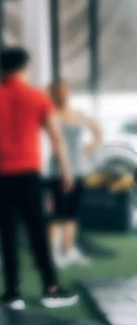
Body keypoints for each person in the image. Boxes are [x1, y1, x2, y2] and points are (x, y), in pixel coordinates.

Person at [0, 47, 78, 310]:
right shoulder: (38, 97)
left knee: (7, 234)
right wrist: (66, 171)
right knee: (38, 231)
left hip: (0, 176)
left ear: (0, 68)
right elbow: (56, 138)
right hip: (29, 176)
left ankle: (12, 294)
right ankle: (51, 288)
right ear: (25, 68)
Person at [47, 79, 102, 267]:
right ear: (54, 94)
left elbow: (98, 132)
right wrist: (65, 171)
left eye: (65, 91)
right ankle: (51, 254)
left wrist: (90, 147)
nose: (63, 95)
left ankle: (68, 250)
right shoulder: (52, 115)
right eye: (58, 92)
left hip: (78, 169)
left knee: (72, 213)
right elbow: (56, 144)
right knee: (58, 214)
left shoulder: (78, 114)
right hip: (58, 172)